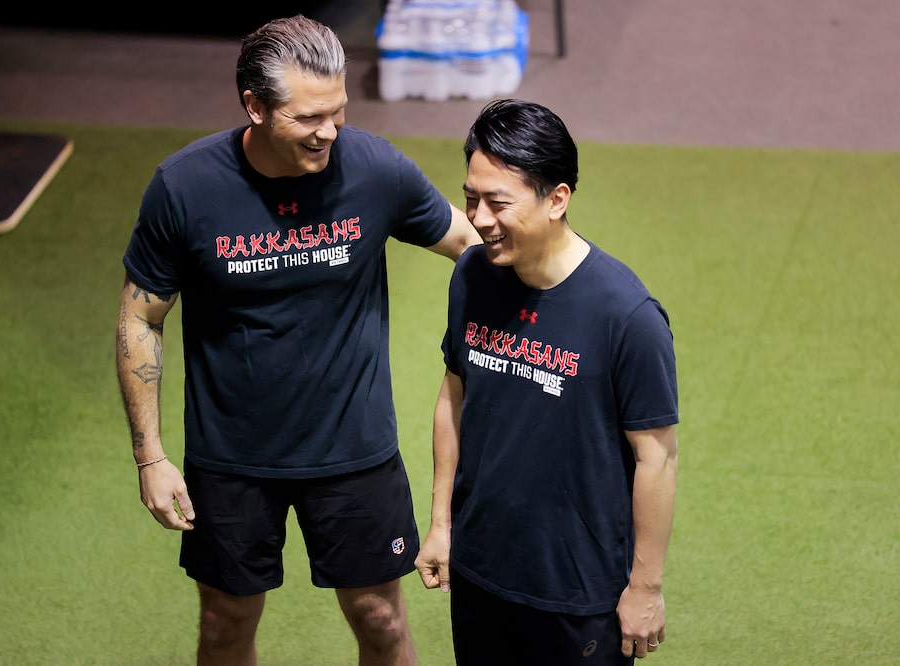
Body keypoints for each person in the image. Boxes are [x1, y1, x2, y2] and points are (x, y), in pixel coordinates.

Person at [115, 14, 478, 666]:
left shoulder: (373, 169)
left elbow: (469, 245)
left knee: (381, 620)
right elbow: (140, 318)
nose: (329, 131)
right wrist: (150, 457)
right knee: (224, 625)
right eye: (308, 117)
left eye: (338, 111)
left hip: (354, 448)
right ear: (254, 107)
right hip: (231, 456)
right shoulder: (185, 187)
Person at [414, 99, 679, 665]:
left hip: (578, 593)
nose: (479, 218)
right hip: (480, 571)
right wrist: (440, 524)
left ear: (557, 199)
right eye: (471, 199)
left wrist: (645, 588)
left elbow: (656, 458)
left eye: (498, 203)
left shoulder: (627, 316)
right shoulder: (473, 275)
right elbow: (453, 397)